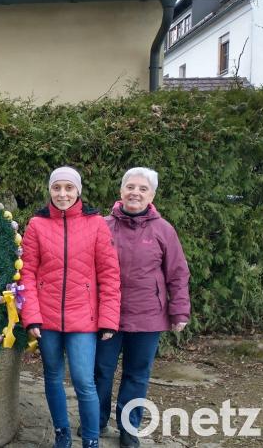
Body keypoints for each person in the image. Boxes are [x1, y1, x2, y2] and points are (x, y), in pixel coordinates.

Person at [19, 166, 121, 448]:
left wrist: (109, 320)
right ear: (50, 190)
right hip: (47, 319)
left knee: (84, 381)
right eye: (56, 188)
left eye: (68, 188)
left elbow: (109, 275)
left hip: (83, 320)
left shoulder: (96, 224)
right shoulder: (36, 225)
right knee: (52, 377)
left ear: (78, 191)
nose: (62, 194)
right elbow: (27, 273)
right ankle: (62, 433)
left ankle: (90, 438)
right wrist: (32, 317)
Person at [95, 167, 191, 448]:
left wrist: (180, 311)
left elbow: (177, 273)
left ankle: (128, 427)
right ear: (121, 190)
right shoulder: (102, 225)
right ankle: (96, 420)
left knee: (137, 374)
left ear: (152, 195)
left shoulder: (164, 230)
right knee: (100, 370)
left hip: (149, 317)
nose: (135, 192)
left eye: (142, 188)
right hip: (107, 316)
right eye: (130, 187)